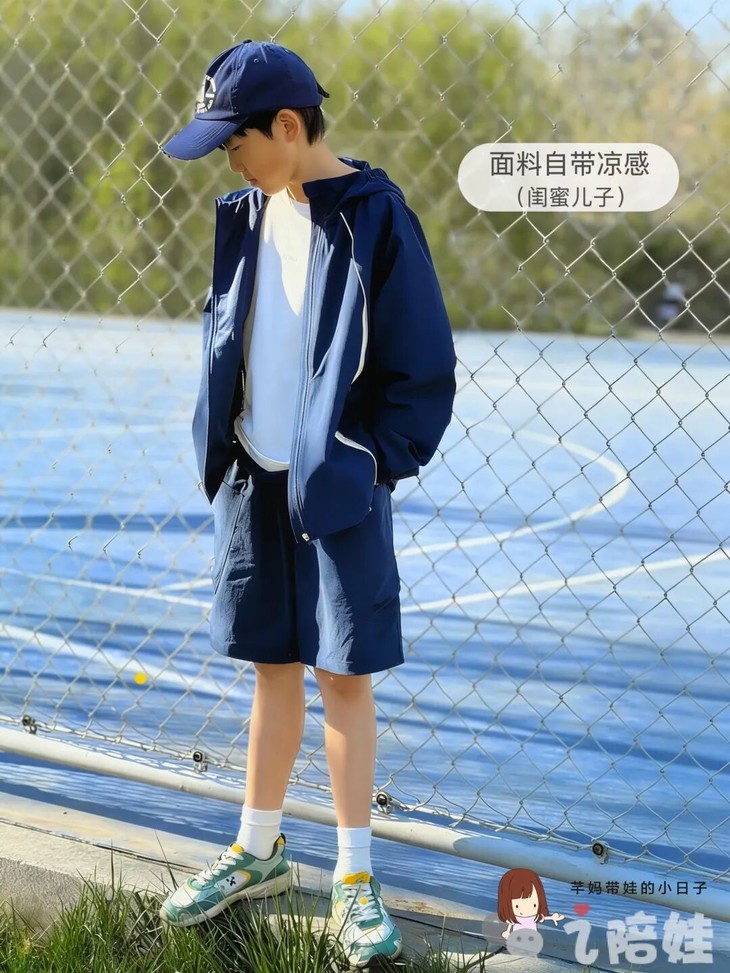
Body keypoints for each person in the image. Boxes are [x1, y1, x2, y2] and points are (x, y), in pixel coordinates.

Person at [158, 38, 457, 968]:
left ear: (287, 126)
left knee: (342, 676)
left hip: (338, 482)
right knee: (271, 666)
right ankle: (258, 850)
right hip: (255, 471)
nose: (227, 161)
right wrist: (224, 440)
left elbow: (423, 368)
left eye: (234, 142)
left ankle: (356, 877)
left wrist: (366, 464)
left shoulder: (375, 219)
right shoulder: (246, 213)